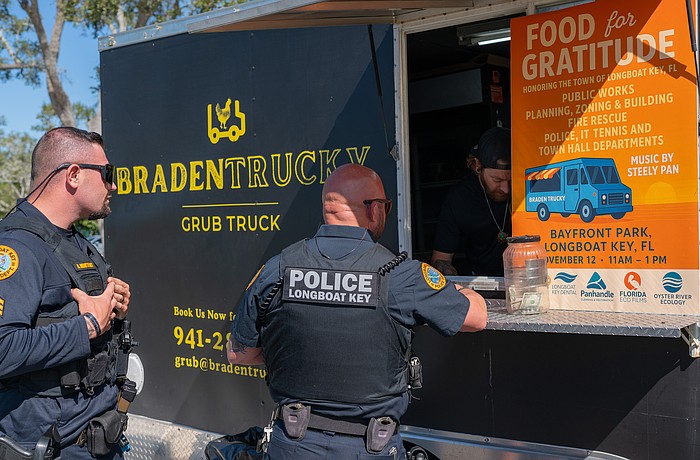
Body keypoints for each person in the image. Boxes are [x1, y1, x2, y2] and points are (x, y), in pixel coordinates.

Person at [227, 163, 487, 459]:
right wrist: (462, 290)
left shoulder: (277, 269)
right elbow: (476, 317)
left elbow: (239, 353)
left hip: (291, 444)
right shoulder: (401, 275)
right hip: (368, 447)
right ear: (375, 209)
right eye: (386, 206)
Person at [0, 127, 132, 459]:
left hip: (98, 432)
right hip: (51, 446)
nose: (112, 185)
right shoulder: (15, 248)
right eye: (106, 173)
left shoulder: (75, 243)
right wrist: (88, 324)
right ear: (73, 175)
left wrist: (111, 309)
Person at [431, 126, 512, 276]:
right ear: (477, 166)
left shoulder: (529, 189)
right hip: (480, 280)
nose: (506, 189)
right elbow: (441, 260)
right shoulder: (460, 199)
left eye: (511, 180)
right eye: (497, 180)